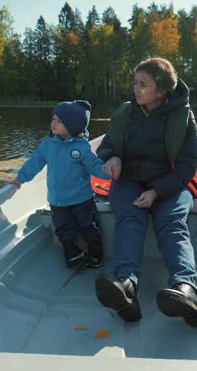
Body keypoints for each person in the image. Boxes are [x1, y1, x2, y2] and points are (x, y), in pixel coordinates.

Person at [95, 57, 197, 327]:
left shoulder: (184, 118)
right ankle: (126, 287)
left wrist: (157, 192)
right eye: (135, 83)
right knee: (129, 218)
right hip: (130, 180)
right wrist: (112, 159)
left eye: (142, 84)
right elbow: (107, 146)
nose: (135, 89)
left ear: (161, 91)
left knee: (171, 222)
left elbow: (187, 165)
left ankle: (186, 289)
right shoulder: (126, 113)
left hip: (171, 182)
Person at [8, 100, 118, 269]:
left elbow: (94, 167)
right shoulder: (48, 145)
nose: (53, 123)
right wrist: (20, 178)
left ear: (72, 126)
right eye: (53, 119)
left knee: (88, 226)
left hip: (82, 199)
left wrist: (107, 171)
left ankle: (96, 254)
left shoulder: (81, 148)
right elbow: (34, 162)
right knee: (63, 229)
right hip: (58, 200)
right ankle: (73, 254)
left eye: (59, 121)